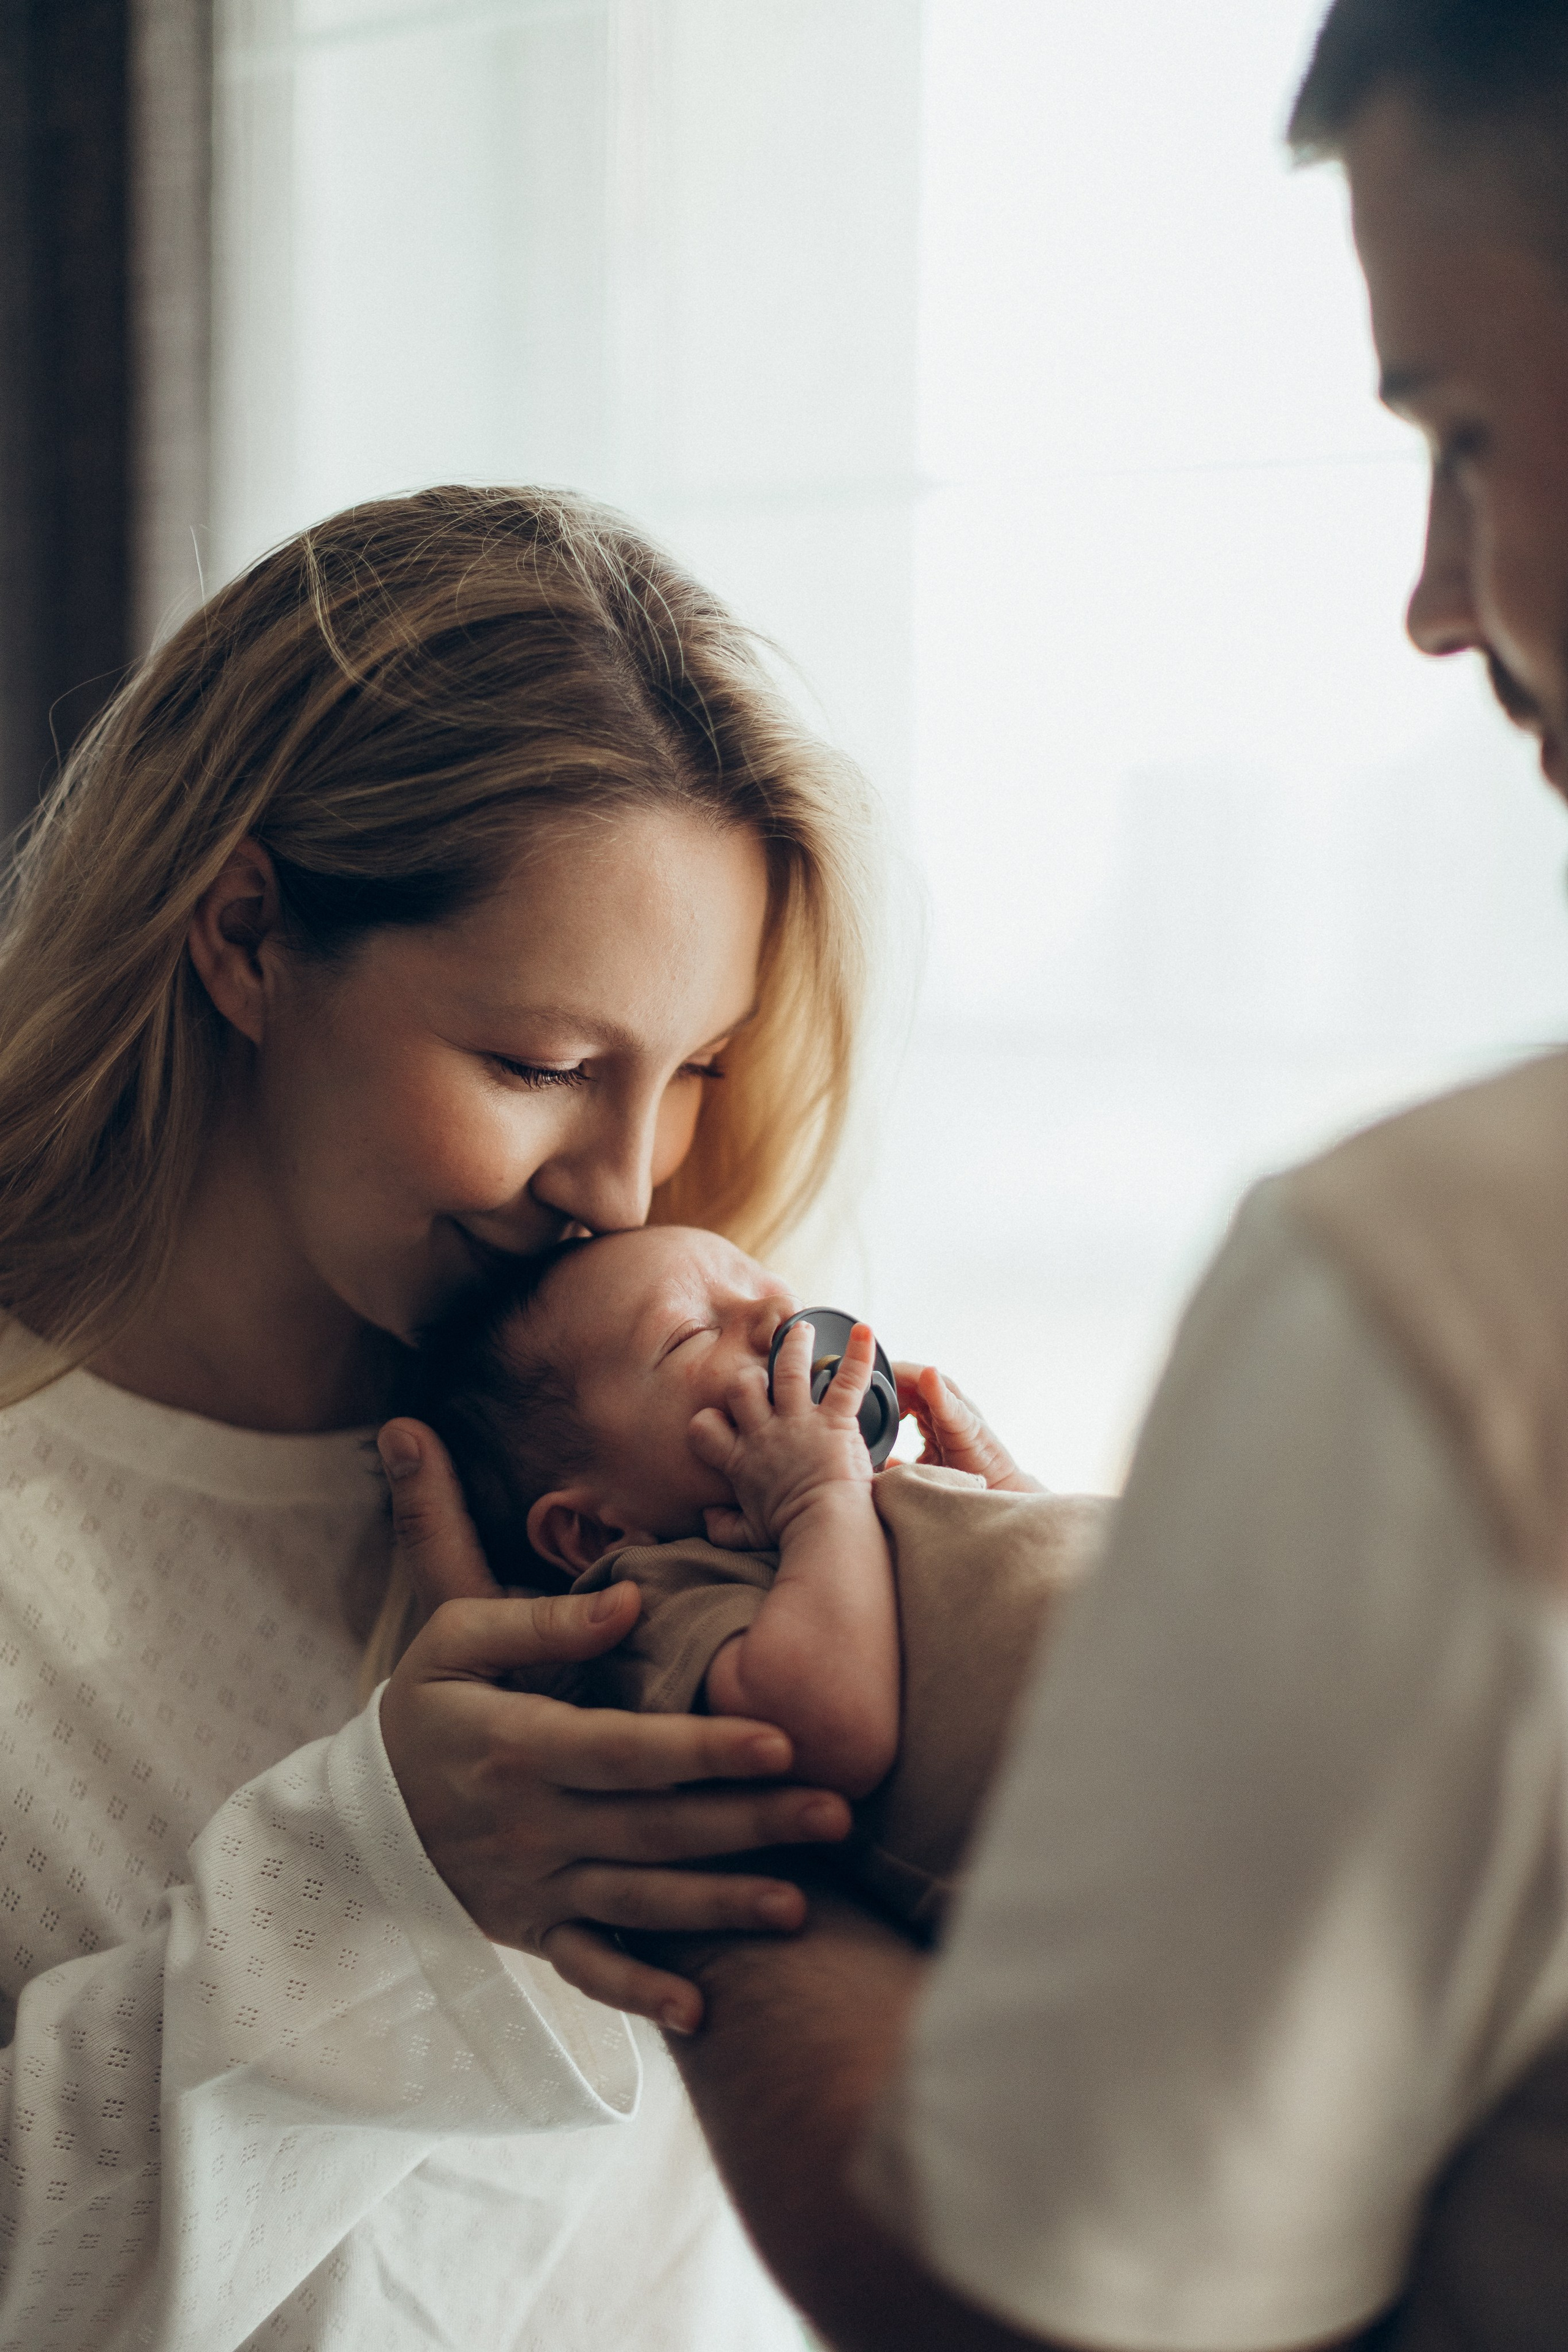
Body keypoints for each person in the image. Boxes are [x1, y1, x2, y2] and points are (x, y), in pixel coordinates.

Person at [386, 5, 1568, 2346]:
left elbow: (1019, 2310)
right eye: (538, 1058)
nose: (1431, 599)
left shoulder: (1432, 1294)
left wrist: (663, 1805)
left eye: (1462, 438)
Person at [0, 482, 885, 2349]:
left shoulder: (664, 1485)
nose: (630, 1188)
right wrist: (375, 1875)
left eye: (699, 1068)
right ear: (245, 934)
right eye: (543, 1064)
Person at [411, 1223, 1101, 1931]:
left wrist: (1000, 1487)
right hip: (1113, 1817)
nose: (779, 1320)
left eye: (776, 1295)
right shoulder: (664, 1591)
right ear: (595, 1531)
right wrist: (817, 1501)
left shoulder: (851, 1502)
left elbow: (1043, 1574)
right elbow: (823, 1733)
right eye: (689, 1333)